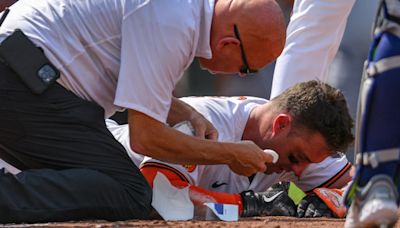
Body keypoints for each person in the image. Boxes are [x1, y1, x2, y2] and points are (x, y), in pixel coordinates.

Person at [0, 0, 286, 223]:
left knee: (111, 186)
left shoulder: (183, 13)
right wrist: (231, 156)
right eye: (247, 68)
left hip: (26, 72)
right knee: (131, 193)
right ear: (229, 44)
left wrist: (184, 112)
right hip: (23, 79)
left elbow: (130, 81)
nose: (241, 75)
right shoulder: (177, 24)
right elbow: (147, 142)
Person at [108, 80, 355, 218]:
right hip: (93, 162)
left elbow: (361, 184)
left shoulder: (301, 143)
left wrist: (332, 197)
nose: (299, 173)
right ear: (280, 124)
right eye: (296, 158)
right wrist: (247, 205)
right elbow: (158, 191)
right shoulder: (202, 123)